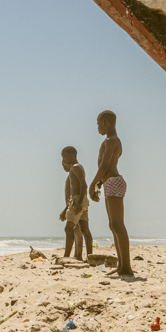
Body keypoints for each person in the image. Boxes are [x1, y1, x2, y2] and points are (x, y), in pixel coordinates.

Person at [89, 110, 134, 277]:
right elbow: (107, 168)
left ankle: (126, 268)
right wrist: (99, 184)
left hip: (114, 182)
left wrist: (92, 183)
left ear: (105, 121)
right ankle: (122, 265)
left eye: (98, 124)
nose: (97, 127)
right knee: (113, 225)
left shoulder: (111, 141)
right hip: (110, 182)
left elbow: (106, 166)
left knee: (117, 225)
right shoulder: (112, 141)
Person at [58, 146, 92, 261]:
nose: (64, 160)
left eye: (64, 157)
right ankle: (90, 256)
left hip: (78, 200)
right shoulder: (75, 168)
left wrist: (78, 204)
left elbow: (84, 185)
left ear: (72, 155)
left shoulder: (76, 167)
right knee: (84, 229)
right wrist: (65, 210)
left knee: (68, 228)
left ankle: (66, 256)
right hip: (78, 200)